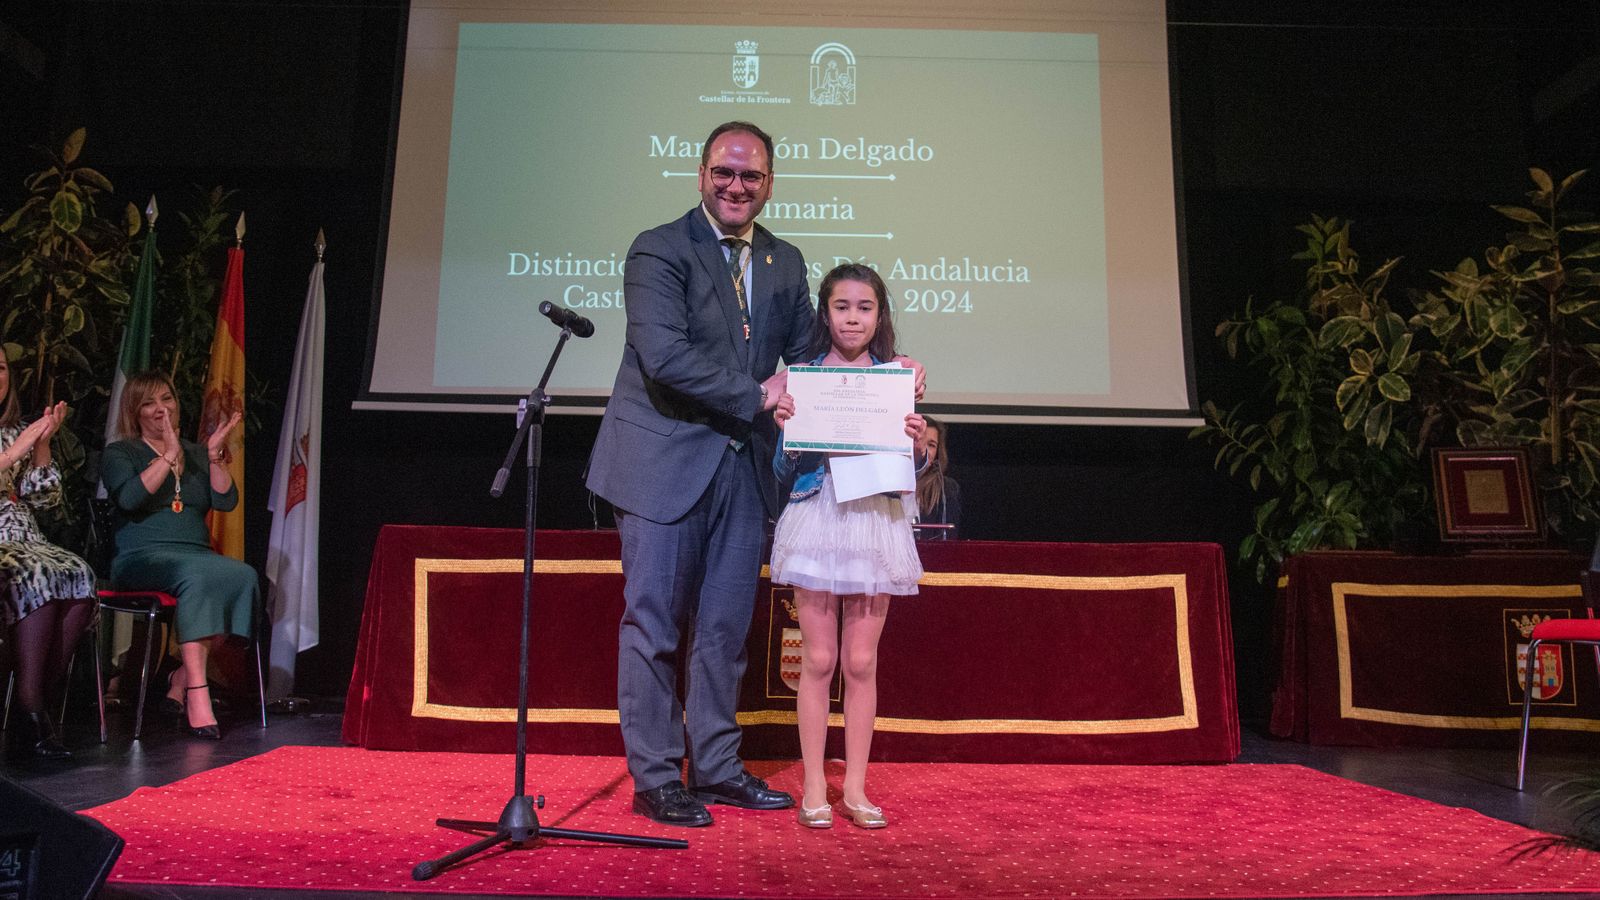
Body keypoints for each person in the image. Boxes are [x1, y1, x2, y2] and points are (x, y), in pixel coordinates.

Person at [587, 120, 925, 827]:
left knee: (722, 629)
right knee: (653, 626)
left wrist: (890, 372)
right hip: (660, 464)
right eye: (724, 173)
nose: (736, 186)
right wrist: (758, 395)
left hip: (740, 473)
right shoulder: (659, 250)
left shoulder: (782, 259)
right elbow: (664, 358)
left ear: (770, 182)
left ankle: (712, 766)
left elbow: (814, 351)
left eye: (751, 176)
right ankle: (656, 776)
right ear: (702, 173)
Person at [769, 263, 927, 829]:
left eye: (864, 307)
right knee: (819, 658)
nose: (853, 317)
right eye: (842, 307)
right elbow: (781, 469)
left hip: (874, 523)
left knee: (861, 661)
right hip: (817, 517)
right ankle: (814, 785)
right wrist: (787, 430)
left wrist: (917, 440)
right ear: (825, 312)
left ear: (879, 314)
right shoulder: (803, 377)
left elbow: (917, 463)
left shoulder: (898, 378)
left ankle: (855, 789)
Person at [100, 370, 249, 740]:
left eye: (166, 399)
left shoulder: (196, 452)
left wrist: (214, 458)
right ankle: (198, 695)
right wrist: (168, 456)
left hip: (194, 554)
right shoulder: (121, 453)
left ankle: (181, 678)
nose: (160, 409)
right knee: (197, 578)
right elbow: (131, 499)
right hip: (142, 557)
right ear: (134, 412)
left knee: (241, 576)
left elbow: (225, 500)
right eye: (148, 403)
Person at [0, 355, 95, 761]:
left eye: (1, 367)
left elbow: (46, 499)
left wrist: (39, 446)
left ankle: (34, 702)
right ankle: (30, 711)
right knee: (33, 573)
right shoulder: (12, 442)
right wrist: (12, 454)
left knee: (80, 574)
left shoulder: (16, 431)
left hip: (26, 533)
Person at [915, 415, 962, 540]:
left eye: (931, 445)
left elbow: (949, 539)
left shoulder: (946, 488)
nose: (924, 450)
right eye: (919, 441)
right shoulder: (889, 483)